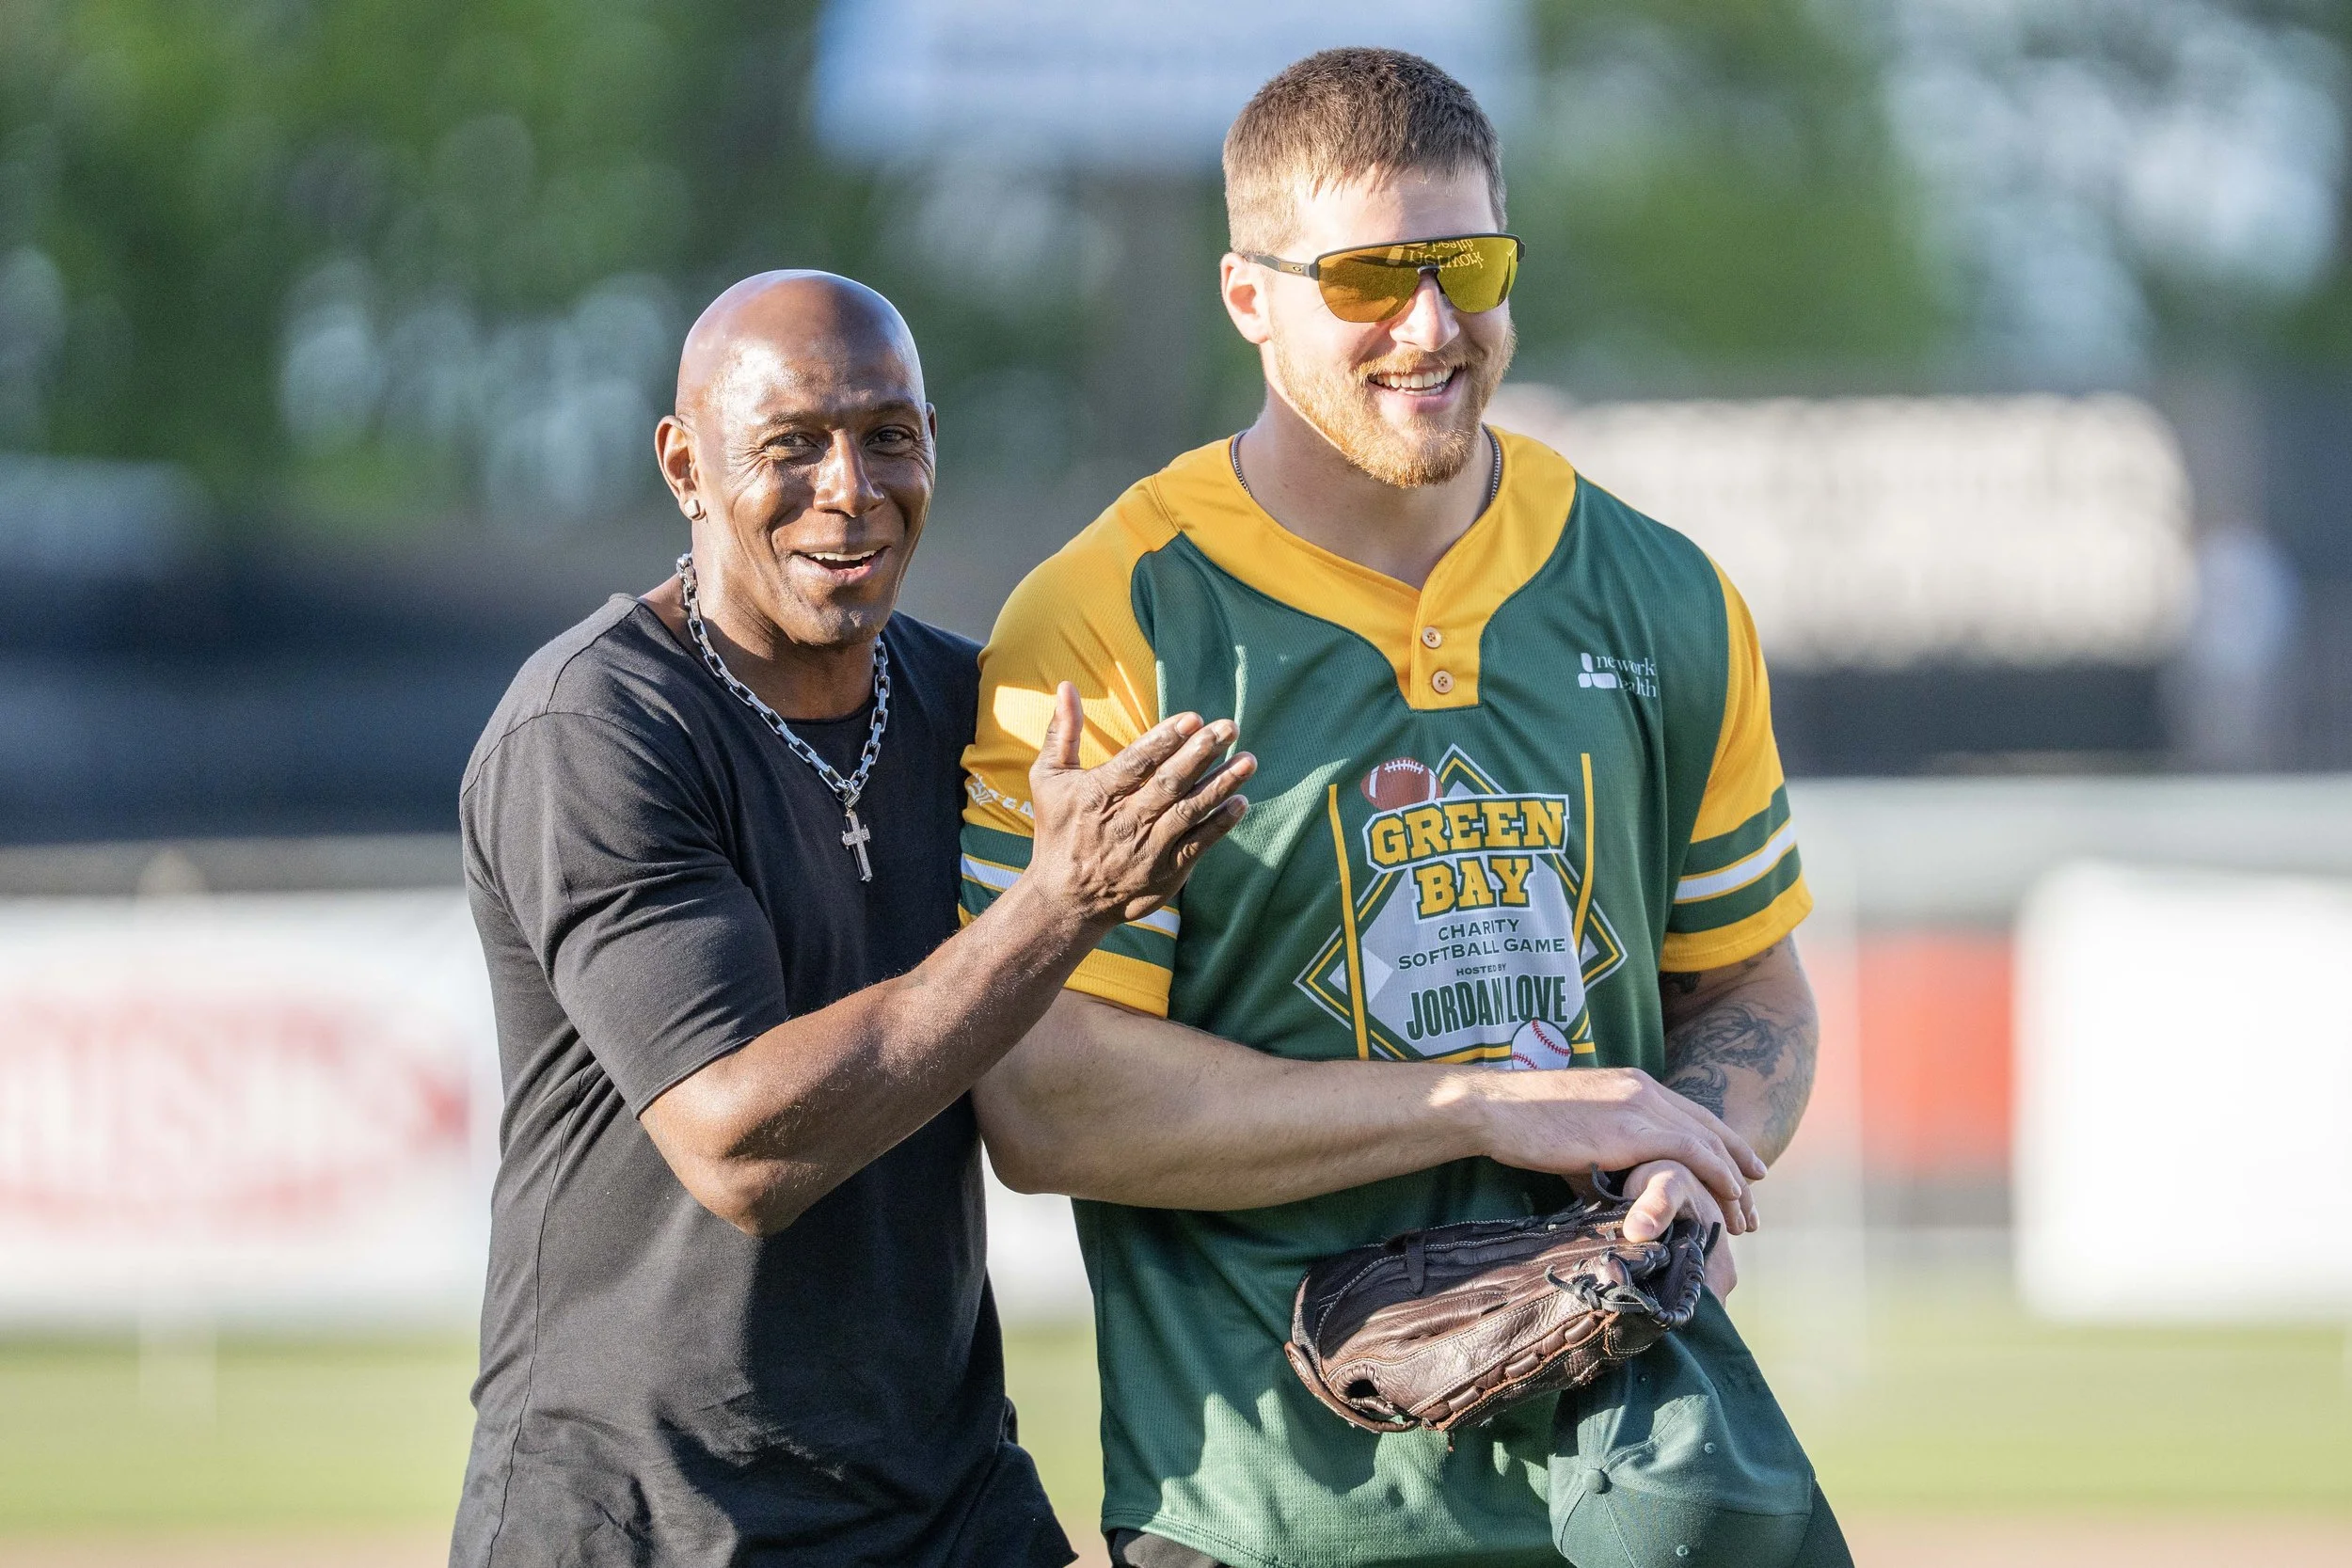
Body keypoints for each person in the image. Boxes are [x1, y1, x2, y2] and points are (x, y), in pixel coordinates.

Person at [961, 50, 1850, 1568]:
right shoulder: (1110, 620)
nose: (1431, 327)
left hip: (1632, 1490)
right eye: (1372, 276)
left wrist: (1685, 1154)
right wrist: (1494, 1098)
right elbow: (1043, 1102)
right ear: (1249, 296)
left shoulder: (1667, 593)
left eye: (1468, 265)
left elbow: (1749, 983)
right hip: (1269, 1509)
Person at [449, 271, 1253, 1567]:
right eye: (792, 445)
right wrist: (1060, 903)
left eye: (890, 435)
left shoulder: (972, 707)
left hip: (944, 1497)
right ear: (685, 465)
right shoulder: (595, 729)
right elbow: (744, 1149)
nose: (851, 487)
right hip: (650, 1513)